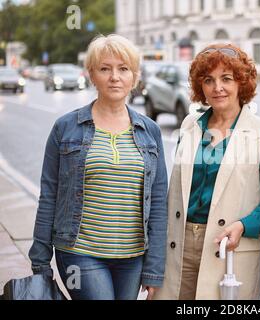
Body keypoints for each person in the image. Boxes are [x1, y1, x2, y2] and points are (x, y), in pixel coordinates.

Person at [28, 34, 168, 300]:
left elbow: (159, 202)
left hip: (132, 257)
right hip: (79, 252)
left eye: (123, 69)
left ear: (134, 76)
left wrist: (154, 268)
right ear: (92, 75)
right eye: (105, 69)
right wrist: (40, 261)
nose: (114, 77)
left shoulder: (150, 132)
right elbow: (49, 195)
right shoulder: (66, 128)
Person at [153, 44, 260, 300]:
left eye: (226, 78)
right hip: (178, 246)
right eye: (208, 80)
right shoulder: (190, 126)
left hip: (227, 247)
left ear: (241, 83)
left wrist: (244, 225)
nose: (217, 87)